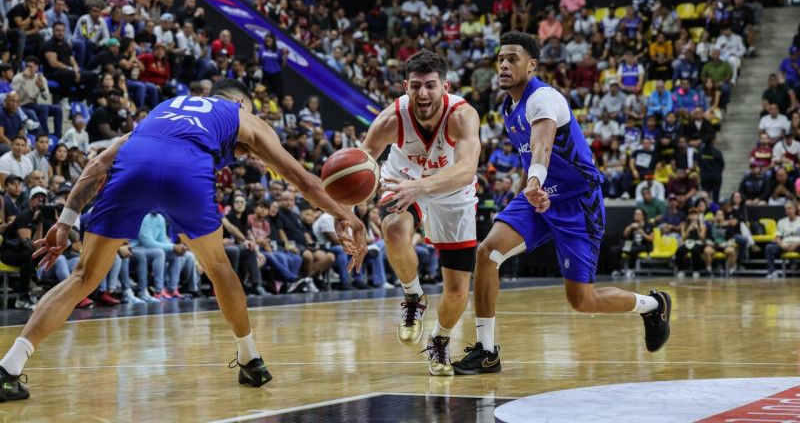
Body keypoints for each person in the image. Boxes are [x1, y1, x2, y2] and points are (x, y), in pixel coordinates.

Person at [0, 79, 367, 401]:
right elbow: (302, 180)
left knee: (82, 277)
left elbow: (96, 166)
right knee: (219, 267)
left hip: (135, 167)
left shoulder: (162, 111)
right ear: (240, 104)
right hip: (186, 172)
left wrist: (65, 222)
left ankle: (8, 368)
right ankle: (250, 358)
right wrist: (346, 215)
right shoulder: (242, 117)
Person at [450, 32, 672, 376]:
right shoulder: (508, 107)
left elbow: (542, 148)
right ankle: (487, 350)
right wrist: (525, 191)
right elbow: (528, 159)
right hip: (536, 196)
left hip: (575, 203)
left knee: (582, 300)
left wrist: (535, 183)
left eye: (512, 59)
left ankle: (653, 305)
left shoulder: (544, 98)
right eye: (500, 59)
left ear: (532, 65)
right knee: (487, 252)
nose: (504, 65)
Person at [359, 50, 481, 376]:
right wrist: (347, 217)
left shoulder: (462, 116)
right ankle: (414, 296)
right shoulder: (391, 118)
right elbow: (361, 162)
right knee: (394, 229)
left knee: (457, 289)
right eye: (415, 86)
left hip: (453, 191)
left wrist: (423, 186)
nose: (422, 93)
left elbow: (468, 170)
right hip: (403, 181)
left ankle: (440, 339)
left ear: (446, 86)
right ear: (405, 86)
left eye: (430, 85)